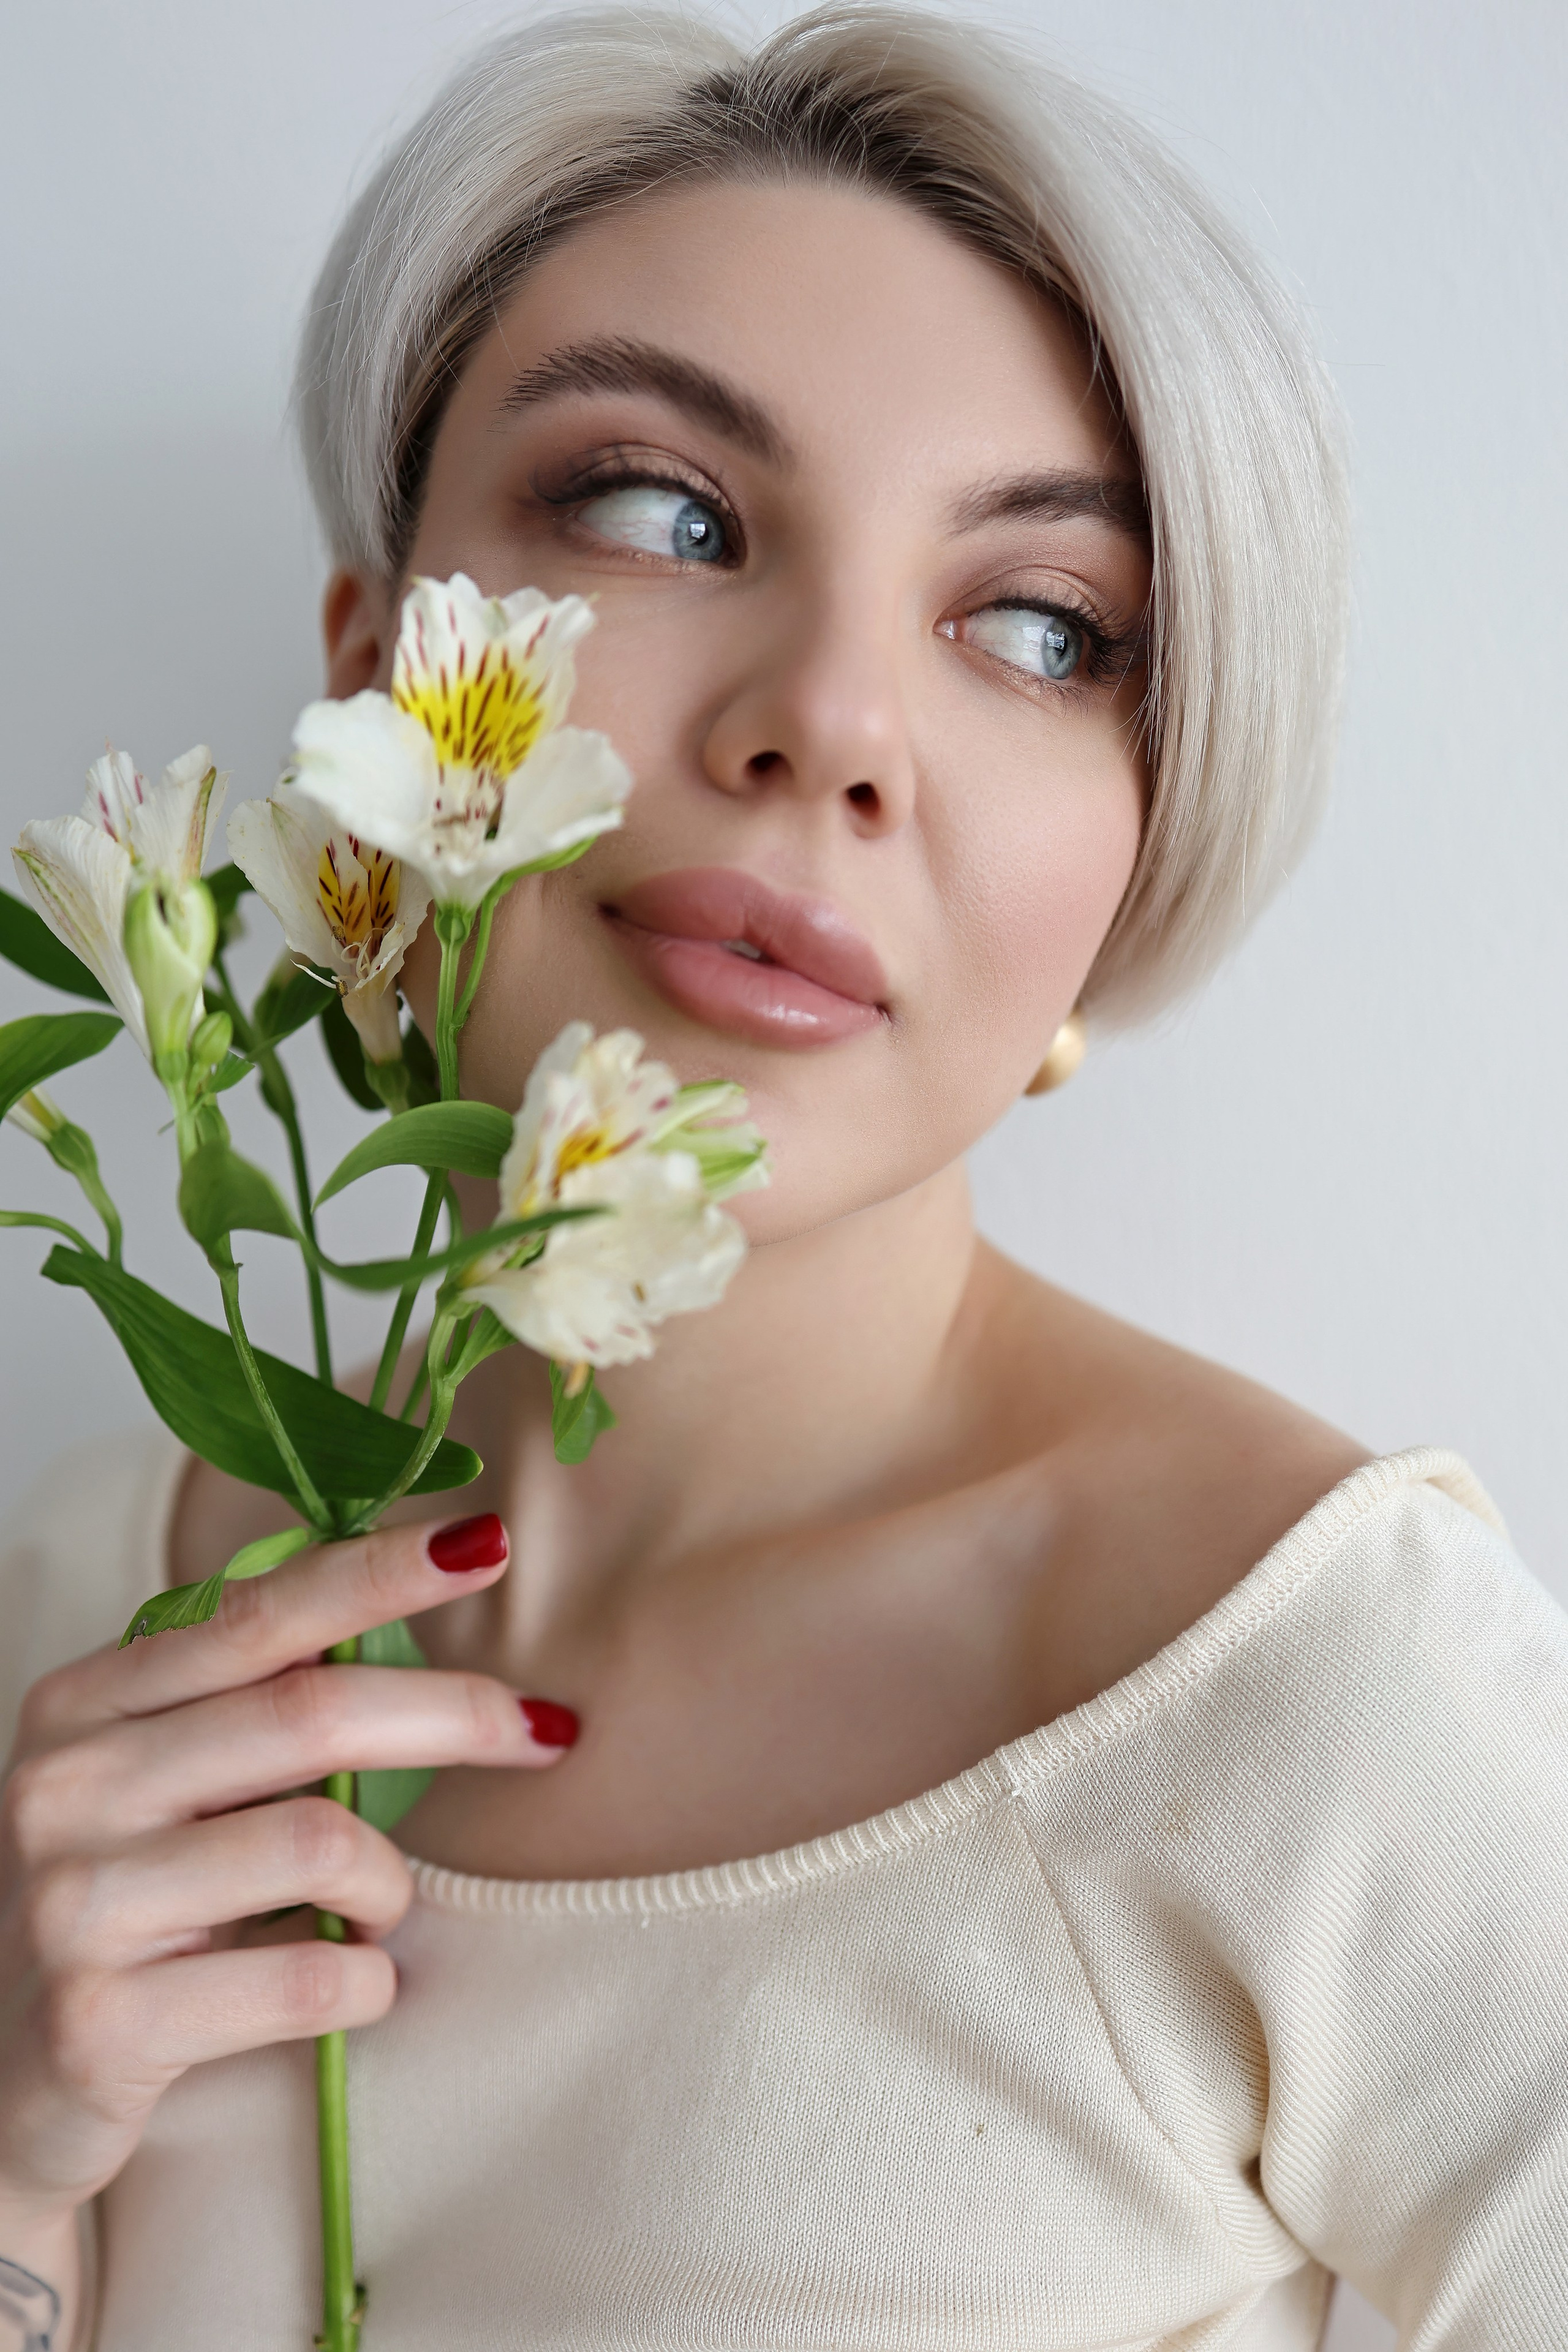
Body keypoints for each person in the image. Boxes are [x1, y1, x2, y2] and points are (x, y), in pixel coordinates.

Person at [2, 9, 1563, 2346]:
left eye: (1045, 632)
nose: (831, 722)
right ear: (380, 674)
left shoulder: (1325, 1713)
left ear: (1134, 873)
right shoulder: (67, 1623)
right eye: (659, 510)